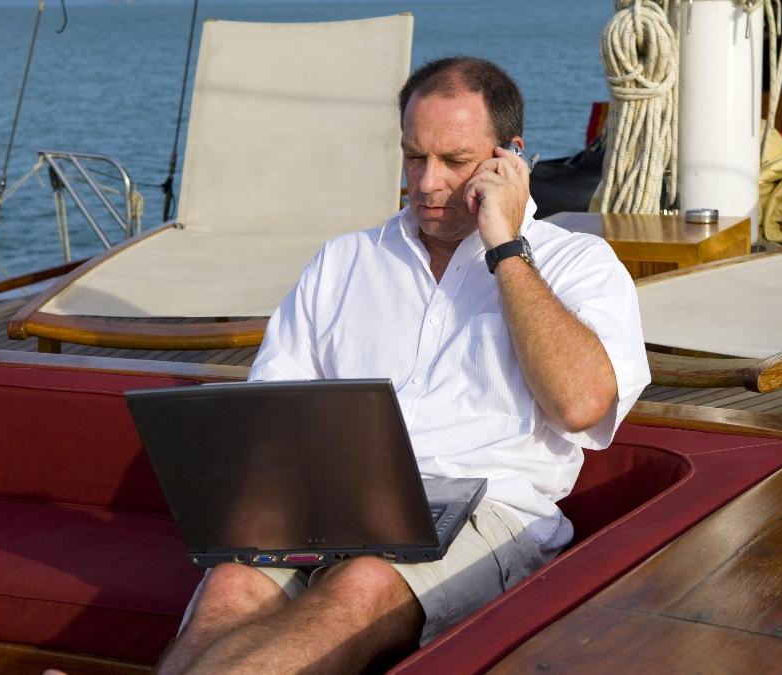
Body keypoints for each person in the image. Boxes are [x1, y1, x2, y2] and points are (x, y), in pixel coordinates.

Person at [157, 56, 650, 674]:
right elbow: (273, 414)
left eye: (455, 161)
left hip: (487, 512)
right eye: (414, 157)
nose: (426, 183)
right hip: (331, 500)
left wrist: (506, 250)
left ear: (510, 158)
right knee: (231, 582)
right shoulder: (344, 261)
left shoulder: (579, 265)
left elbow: (583, 406)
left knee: (363, 581)